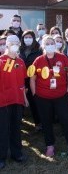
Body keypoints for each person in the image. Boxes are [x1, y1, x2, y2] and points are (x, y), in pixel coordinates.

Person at [30, 35, 68, 157]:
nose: (50, 45)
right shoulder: (38, 60)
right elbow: (32, 78)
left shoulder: (63, 58)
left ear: (55, 45)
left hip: (61, 96)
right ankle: (50, 146)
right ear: (43, 46)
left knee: (67, 120)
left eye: (51, 43)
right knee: (46, 121)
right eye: (47, 43)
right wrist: (35, 94)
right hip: (42, 97)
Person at [0, 35, 28, 170]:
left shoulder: (21, 62)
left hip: (17, 100)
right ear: (6, 44)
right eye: (12, 43)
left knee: (16, 128)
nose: (15, 44)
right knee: (3, 129)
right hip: (3, 102)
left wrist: (25, 98)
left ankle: (16, 153)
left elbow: (22, 82)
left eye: (17, 42)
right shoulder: (1, 61)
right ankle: (1, 156)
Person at [19, 30, 43, 130]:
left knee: (34, 101)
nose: (27, 39)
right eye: (25, 37)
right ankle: (18, 122)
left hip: (34, 79)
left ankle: (38, 123)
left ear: (33, 38)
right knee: (20, 100)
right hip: (21, 78)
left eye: (30, 37)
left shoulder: (39, 49)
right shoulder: (19, 49)